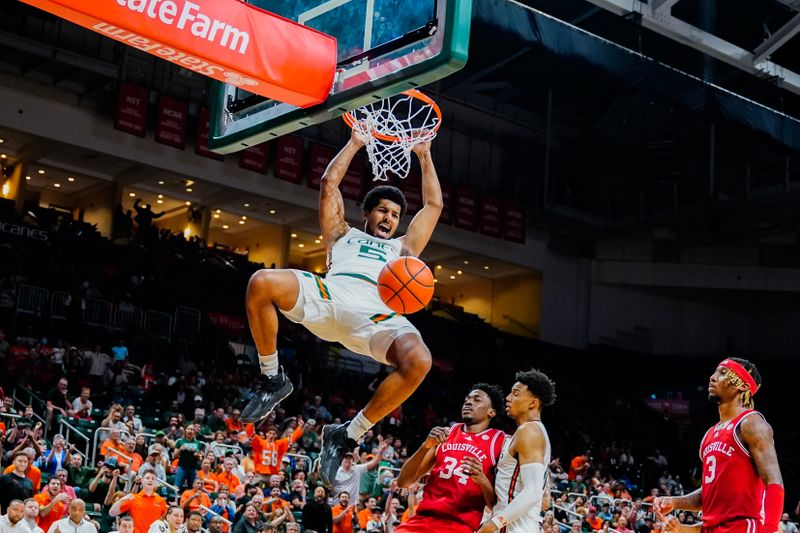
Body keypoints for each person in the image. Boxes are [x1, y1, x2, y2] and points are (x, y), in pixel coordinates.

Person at [242, 129, 443, 486]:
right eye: (382, 210)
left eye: (395, 215)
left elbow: (433, 206)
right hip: (331, 296)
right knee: (261, 282)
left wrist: (425, 156)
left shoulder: (403, 249)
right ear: (367, 212)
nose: (389, 218)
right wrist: (354, 142)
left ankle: (347, 434)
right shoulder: (342, 234)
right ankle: (273, 377)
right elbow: (328, 184)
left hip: (377, 317)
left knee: (421, 361)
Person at [655, 358, 784, 533]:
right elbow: (707, 496)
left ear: (743, 386)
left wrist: (769, 529)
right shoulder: (709, 435)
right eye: (715, 372)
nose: (713, 377)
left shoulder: (751, 423)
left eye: (723, 373)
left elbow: (774, 482)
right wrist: (675, 503)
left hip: (743, 527)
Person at [395, 384, 507, 533]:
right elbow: (403, 481)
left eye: (477, 400)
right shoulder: (446, 434)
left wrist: (482, 479)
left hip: (458, 526)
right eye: (467, 399)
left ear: (491, 412)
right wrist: (426, 446)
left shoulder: (500, 442)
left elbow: (496, 505)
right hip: (422, 520)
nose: (468, 402)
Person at [478, 368, 557, 533]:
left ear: (532, 403)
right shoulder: (533, 432)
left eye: (515, 393)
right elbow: (544, 500)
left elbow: (533, 492)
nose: (508, 398)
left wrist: (493, 524)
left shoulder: (529, 431)